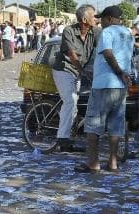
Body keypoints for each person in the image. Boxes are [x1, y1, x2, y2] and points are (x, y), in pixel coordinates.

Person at [75, 6, 134, 173]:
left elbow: (107, 53)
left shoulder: (106, 32)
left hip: (104, 84)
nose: (100, 21)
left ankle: (93, 164)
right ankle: (113, 163)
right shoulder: (128, 33)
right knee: (115, 127)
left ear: (108, 18)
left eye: (102, 19)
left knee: (93, 125)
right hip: (120, 87)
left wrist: (119, 72)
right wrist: (124, 75)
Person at [52, 4, 99, 152]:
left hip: (78, 72)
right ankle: (62, 138)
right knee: (70, 101)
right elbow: (71, 54)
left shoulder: (96, 32)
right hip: (64, 69)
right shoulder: (69, 31)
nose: (96, 19)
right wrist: (83, 71)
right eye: (93, 16)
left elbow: (106, 48)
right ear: (84, 19)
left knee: (74, 106)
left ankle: (68, 140)